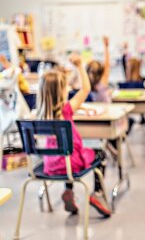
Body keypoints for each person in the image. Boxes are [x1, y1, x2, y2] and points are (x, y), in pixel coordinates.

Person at [37, 53, 111, 217]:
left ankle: (68, 191)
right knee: (100, 153)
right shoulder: (67, 110)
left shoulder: (39, 116)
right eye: (65, 88)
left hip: (50, 165)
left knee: (64, 155)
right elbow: (86, 89)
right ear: (61, 92)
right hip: (72, 163)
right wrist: (80, 66)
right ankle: (97, 193)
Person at [86, 36, 112, 103]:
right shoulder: (103, 81)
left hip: (96, 109)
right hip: (105, 108)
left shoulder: (87, 84)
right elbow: (107, 64)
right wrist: (106, 47)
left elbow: (107, 64)